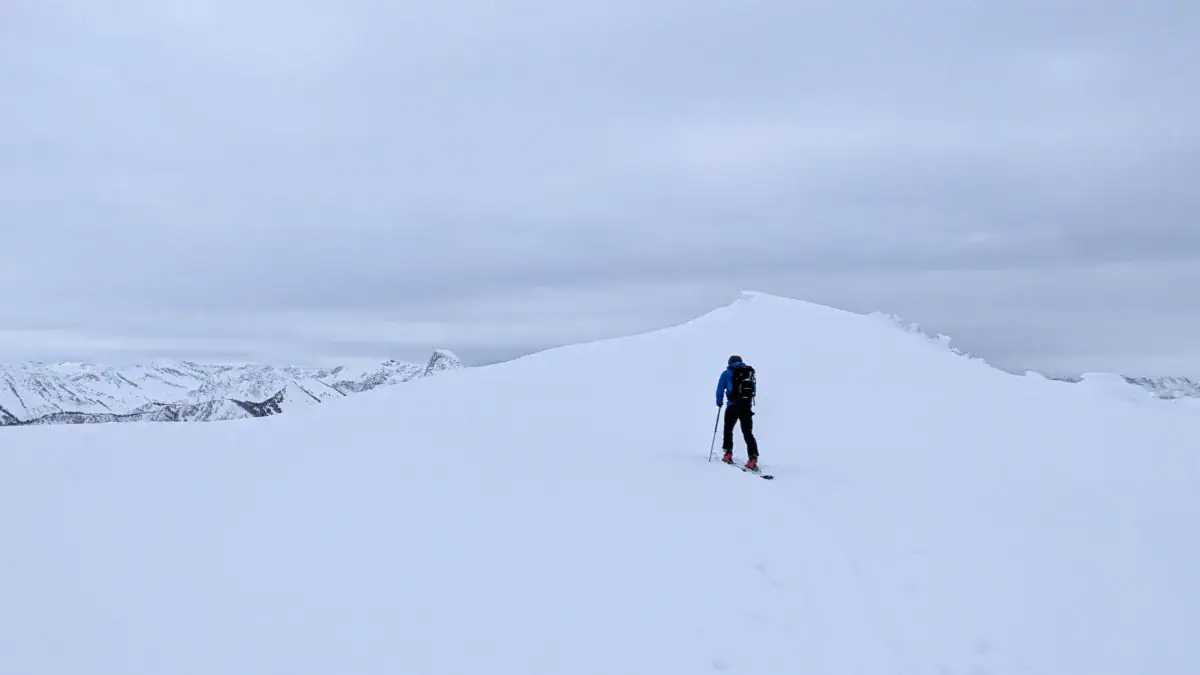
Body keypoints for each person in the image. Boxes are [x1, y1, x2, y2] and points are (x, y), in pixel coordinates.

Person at [715, 354, 759, 470]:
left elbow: (720, 389)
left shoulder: (726, 373)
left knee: (728, 429)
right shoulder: (748, 373)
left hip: (732, 406)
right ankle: (753, 458)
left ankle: (728, 454)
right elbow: (753, 390)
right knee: (747, 432)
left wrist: (719, 402)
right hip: (746, 407)